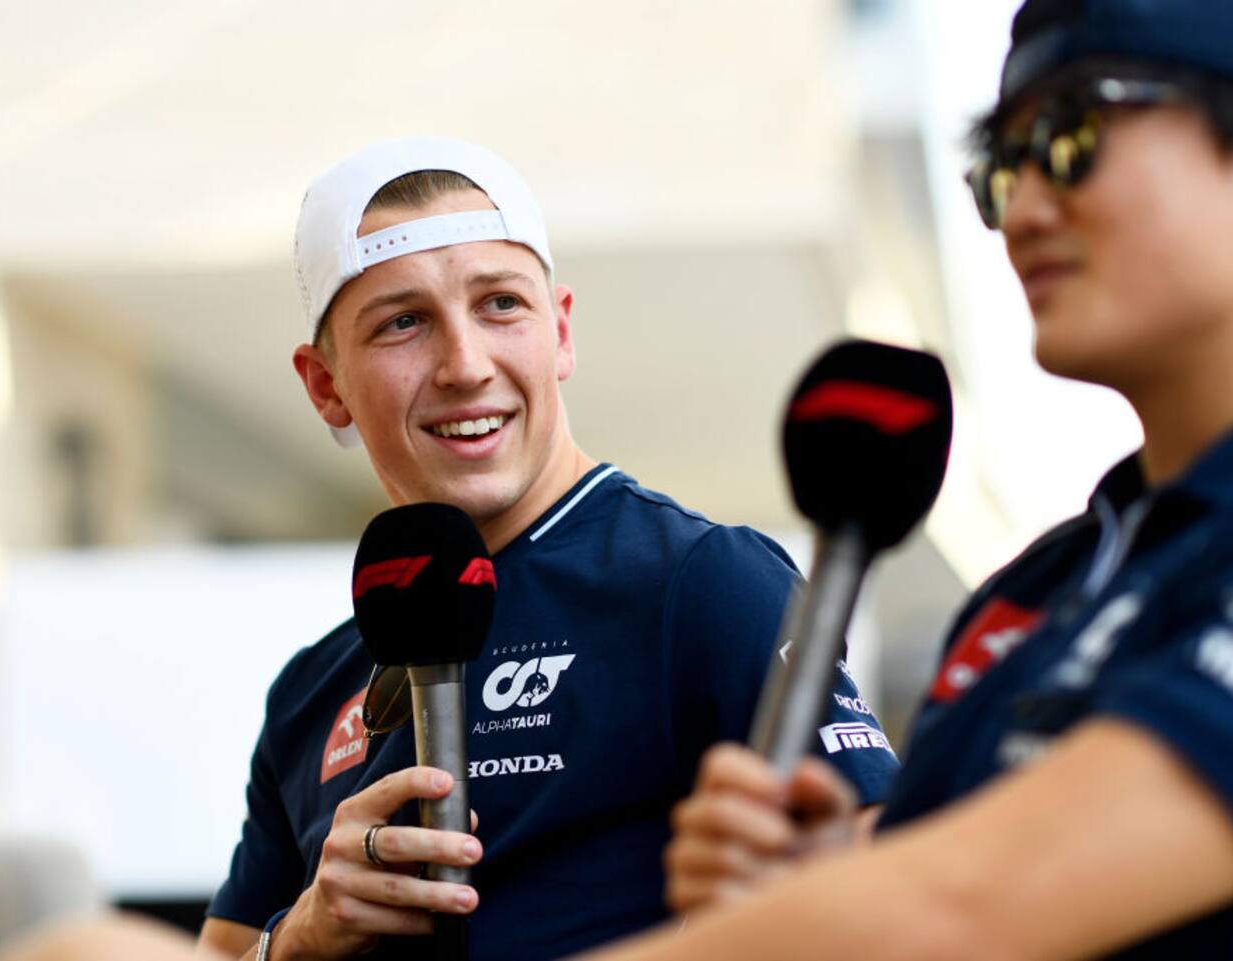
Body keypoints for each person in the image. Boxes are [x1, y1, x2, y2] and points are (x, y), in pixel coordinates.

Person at [584, 1, 1233, 958]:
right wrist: (838, 872)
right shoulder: (1039, 588)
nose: (1021, 212)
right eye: (1001, 167)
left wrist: (870, 906)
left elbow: (971, 904)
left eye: (1072, 139)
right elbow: (945, 882)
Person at [196, 137, 900, 961]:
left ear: (559, 332)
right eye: (403, 322)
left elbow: (887, 882)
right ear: (326, 385)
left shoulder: (703, 581)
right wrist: (298, 937)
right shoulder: (310, 689)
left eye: (500, 305)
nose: (465, 364)